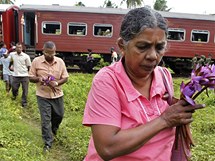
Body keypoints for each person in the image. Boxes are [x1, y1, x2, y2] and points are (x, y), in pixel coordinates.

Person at [82, 7, 205, 161]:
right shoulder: (108, 80)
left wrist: (178, 108)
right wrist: (164, 120)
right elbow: (107, 147)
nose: (153, 56)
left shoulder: (164, 76)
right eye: (142, 47)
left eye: (160, 47)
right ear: (122, 46)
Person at [29, 41, 69, 153]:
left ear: (55, 52)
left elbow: (65, 77)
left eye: (52, 53)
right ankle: (47, 143)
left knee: (59, 115)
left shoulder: (60, 62)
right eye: (47, 53)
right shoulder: (36, 61)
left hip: (57, 95)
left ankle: (53, 130)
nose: (50, 56)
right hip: (42, 95)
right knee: (45, 120)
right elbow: (30, 77)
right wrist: (38, 79)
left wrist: (56, 83)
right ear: (43, 51)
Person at [10, 43, 31, 107]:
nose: (18, 49)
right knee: (14, 88)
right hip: (16, 75)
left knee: (25, 90)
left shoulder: (26, 56)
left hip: (24, 75)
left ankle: (24, 103)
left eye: (20, 47)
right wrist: (11, 67)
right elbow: (11, 62)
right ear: (15, 48)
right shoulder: (12, 55)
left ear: (22, 48)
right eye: (17, 47)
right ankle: (14, 96)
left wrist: (28, 74)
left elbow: (29, 66)